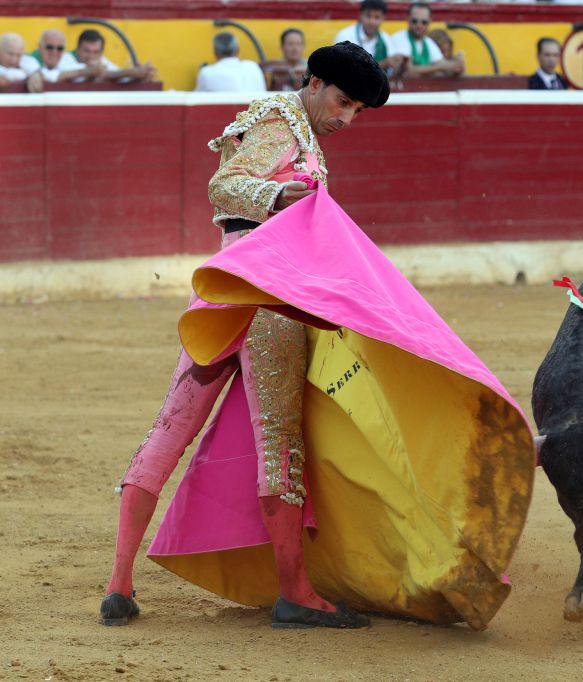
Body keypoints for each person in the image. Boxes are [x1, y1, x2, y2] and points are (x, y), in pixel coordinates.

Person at [100, 41, 390, 630]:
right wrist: (277, 195)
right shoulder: (282, 121)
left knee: (171, 428)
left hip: (223, 292)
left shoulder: (289, 126)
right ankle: (295, 592)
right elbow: (225, 185)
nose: (346, 118)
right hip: (268, 299)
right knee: (278, 443)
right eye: (343, 102)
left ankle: (120, 585)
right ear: (313, 83)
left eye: (357, 111)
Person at [390, 2, 464, 78]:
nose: (419, 25)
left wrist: (456, 67)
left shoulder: (429, 42)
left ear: (429, 22)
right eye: (415, 21)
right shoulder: (399, 38)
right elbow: (408, 72)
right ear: (408, 19)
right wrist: (439, 67)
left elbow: (443, 66)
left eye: (424, 22)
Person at [335, 0, 405, 72]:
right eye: (368, 16)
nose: (372, 22)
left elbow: (392, 70)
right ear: (361, 15)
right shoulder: (345, 36)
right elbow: (345, 69)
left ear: (383, 18)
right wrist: (383, 64)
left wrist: (401, 65)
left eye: (377, 17)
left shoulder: (386, 39)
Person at [25, 29, 99, 92]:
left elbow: (78, 71)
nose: (54, 52)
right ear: (40, 47)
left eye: (60, 48)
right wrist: (35, 74)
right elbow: (48, 76)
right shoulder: (29, 60)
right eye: (49, 47)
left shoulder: (65, 59)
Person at [72, 29, 156, 84]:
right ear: (78, 49)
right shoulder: (67, 58)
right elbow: (85, 75)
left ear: (101, 53)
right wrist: (130, 72)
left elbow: (119, 76)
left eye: (96, 52)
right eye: (87, 51)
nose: (91, 56)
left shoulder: (101, 60)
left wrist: (139, 75)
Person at [195, 32, 267, 92]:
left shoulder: (207, 73)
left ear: (215, 52)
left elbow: (197, 98)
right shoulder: (253, 67)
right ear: (238, 50)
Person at [264, 27, 307, 91]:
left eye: (298, 44)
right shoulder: (270, 69)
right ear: (282, 46)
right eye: (290, 44)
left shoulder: (312, 70)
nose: (295, 49)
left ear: (303, 46)